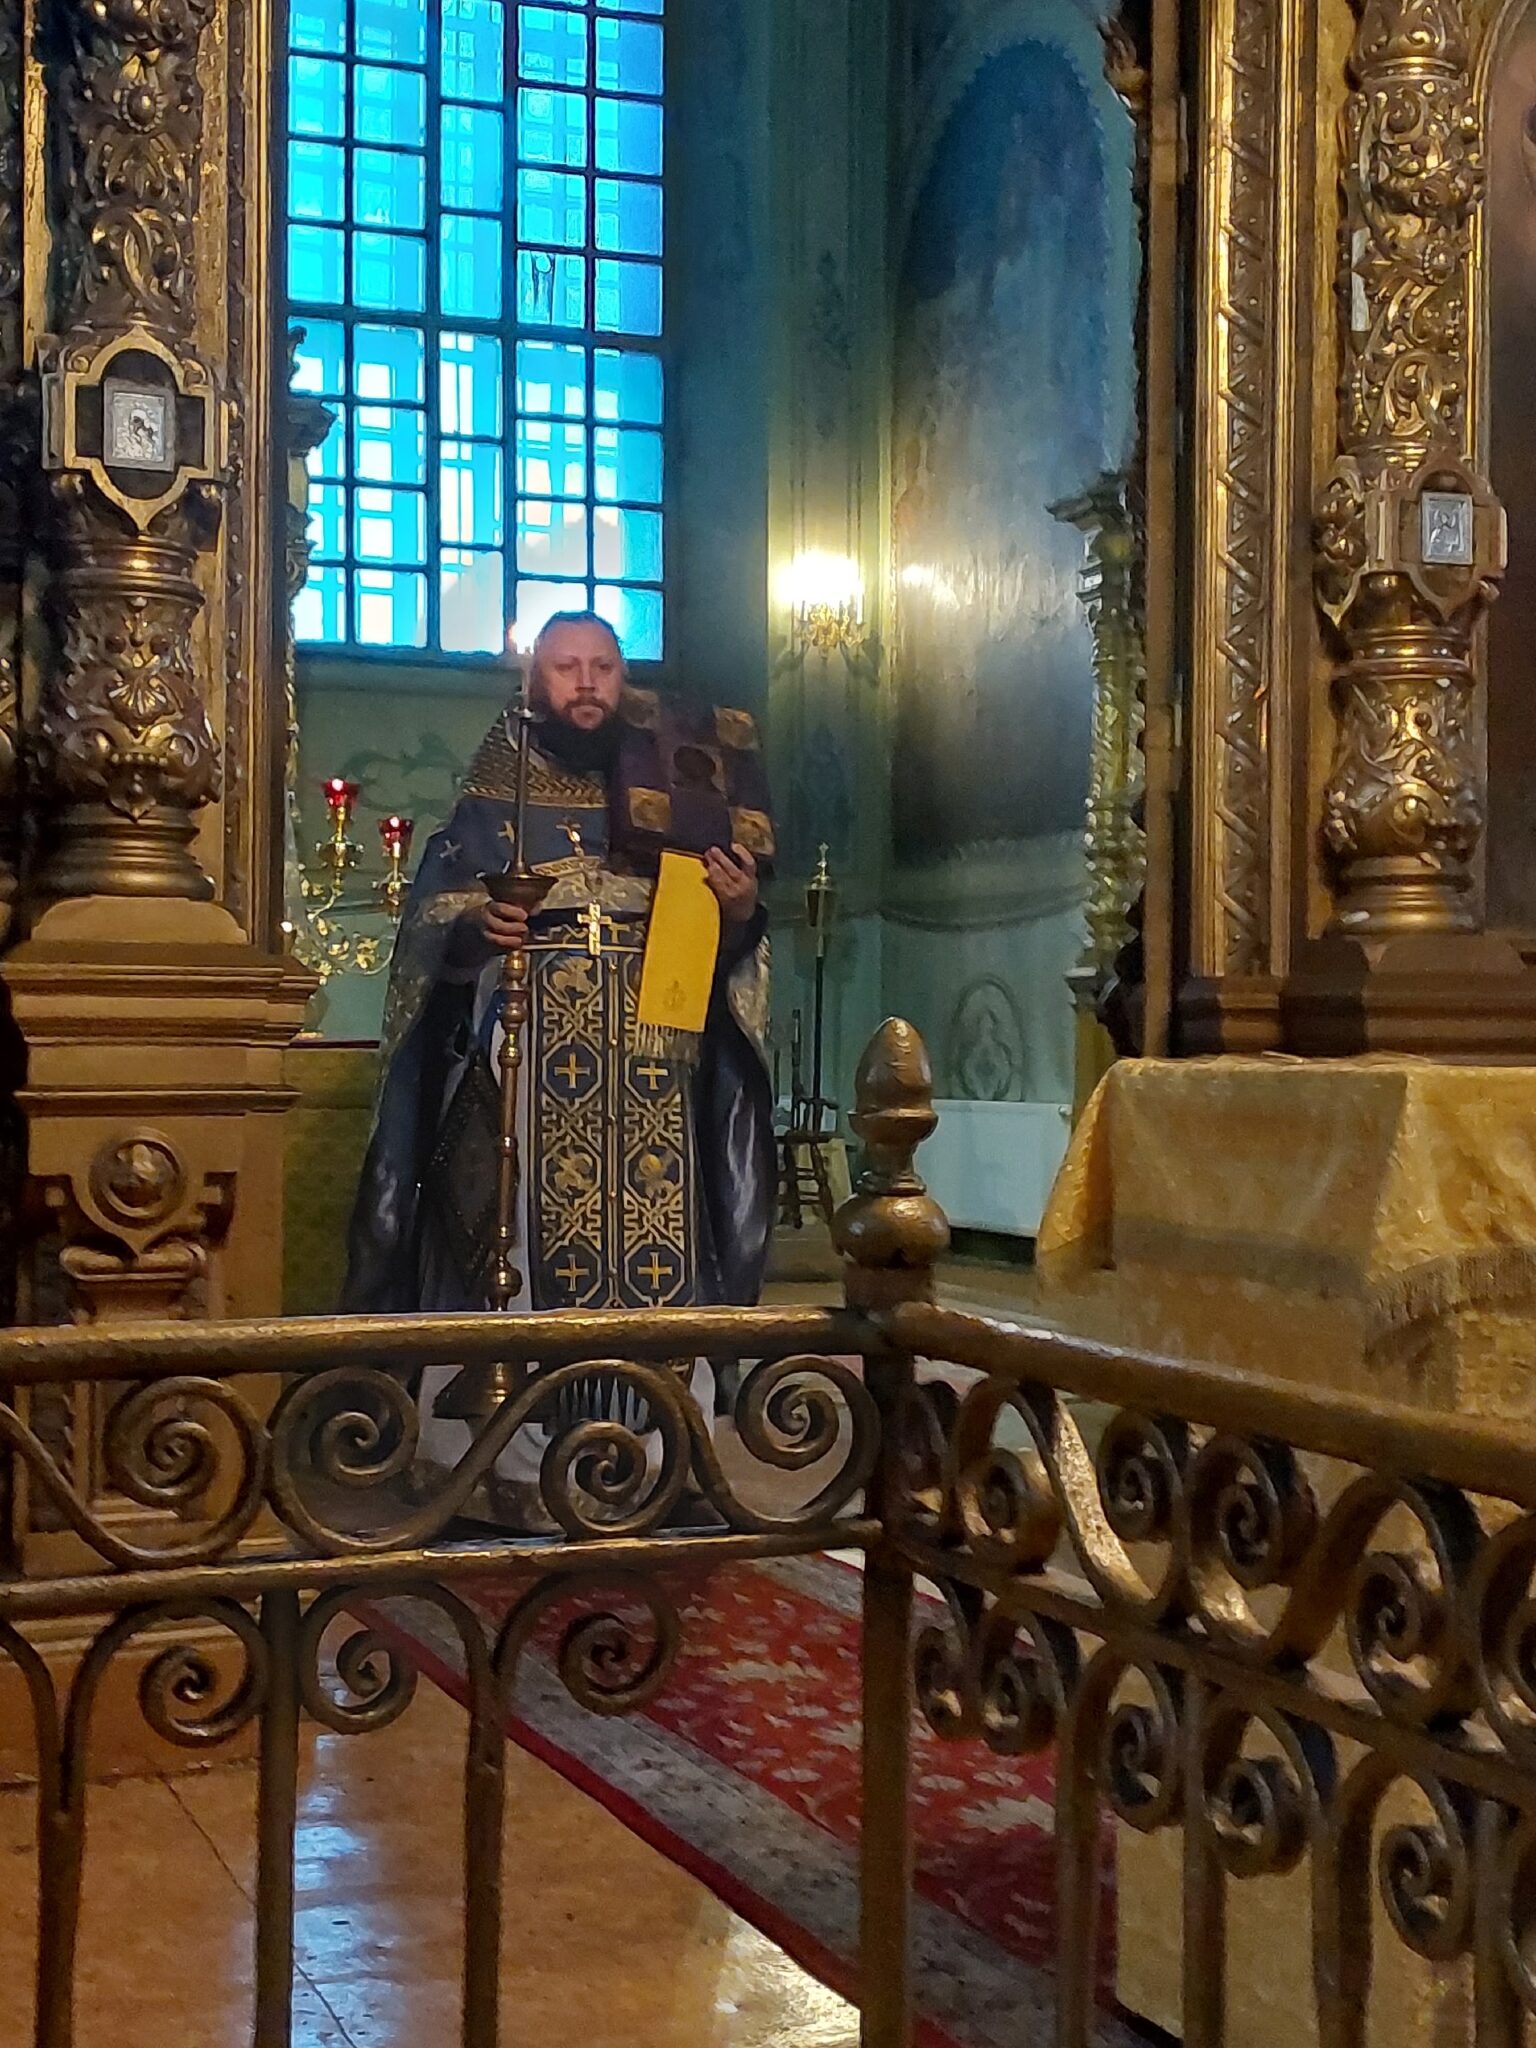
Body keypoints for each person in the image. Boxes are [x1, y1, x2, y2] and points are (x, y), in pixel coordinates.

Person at [342, 612, 777, 1519]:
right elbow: (434, 918)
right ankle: (507, 1460)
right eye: (566, 667)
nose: (586, 684)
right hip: (528, 1061)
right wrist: (474, 925)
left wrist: (739, 912)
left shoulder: (677, 787)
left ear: (625, 679)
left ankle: (658, 1452)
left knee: (663, 1237)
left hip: (657, 1065)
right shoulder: (500, 780)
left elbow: (725, 950)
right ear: (535, 681)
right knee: (519, 1236)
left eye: (603, 667)